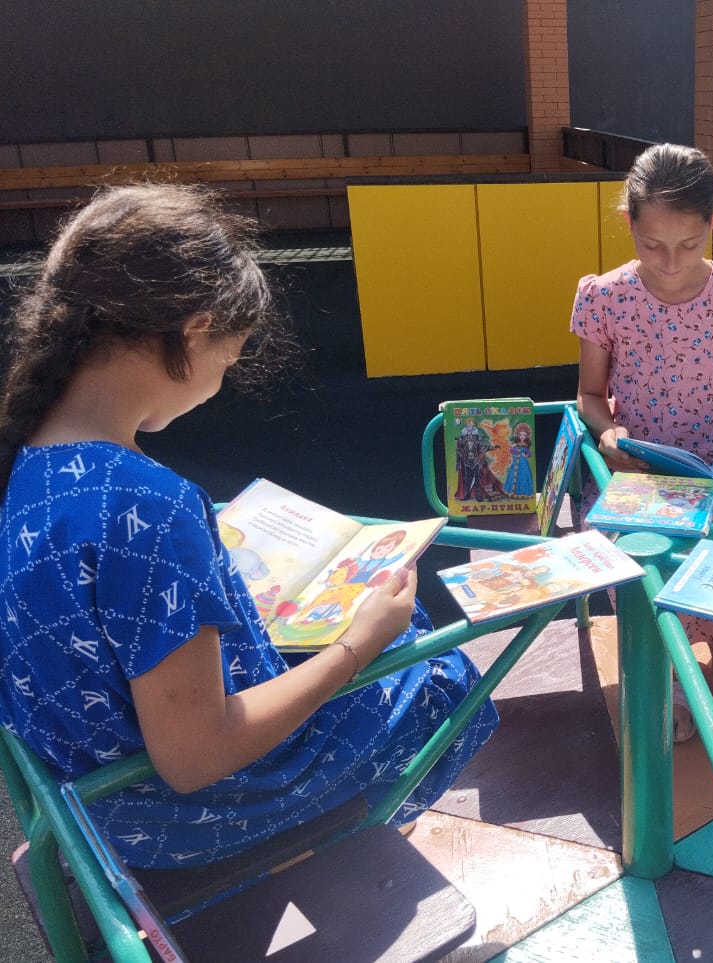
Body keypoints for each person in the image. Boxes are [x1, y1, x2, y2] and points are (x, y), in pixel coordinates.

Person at [0, 183, 499, 870]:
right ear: (195, 330)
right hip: (182, 817)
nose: (222, 378)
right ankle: (332, 841)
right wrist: (358, 646)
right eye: (230, 358)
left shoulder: (27, 462)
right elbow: (195, 757)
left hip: (92, 798)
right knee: (441, 674)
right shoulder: (151, 503)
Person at [570, 143, 713, 757]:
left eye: (689, 244)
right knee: (639, 548)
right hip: (635, 466)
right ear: (628, 224)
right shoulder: (605, 296)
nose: (670, 263)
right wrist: (607, 434)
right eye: (652, 245)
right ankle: (668, 668)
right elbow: (590, 393)